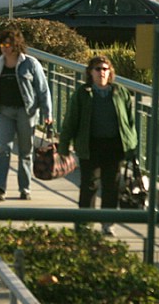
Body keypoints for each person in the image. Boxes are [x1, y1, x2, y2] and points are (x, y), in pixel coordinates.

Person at [58, 55, 137, 235]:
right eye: (98, 69)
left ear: (110, 72)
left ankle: (108, 224)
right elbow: (71, 121)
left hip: (114, 147)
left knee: (111, 186)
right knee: (89, 186)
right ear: (90, 73)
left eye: (105, 69)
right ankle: (84, 224)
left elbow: (130, 123)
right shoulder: (83, 93)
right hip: (90, 145)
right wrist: (64, 146)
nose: (101, 72)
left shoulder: (120, 92)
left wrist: (132, 147)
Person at [0, 28, 53, 200]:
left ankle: (25, 188)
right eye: (2, 44)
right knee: (4, 149)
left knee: (25, 151)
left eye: (9, 44)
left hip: (26, 112)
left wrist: (47, 113)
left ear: (17, 45)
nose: (5, 48)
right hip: (5, 111)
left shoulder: (30, 64)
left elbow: (43, 90)